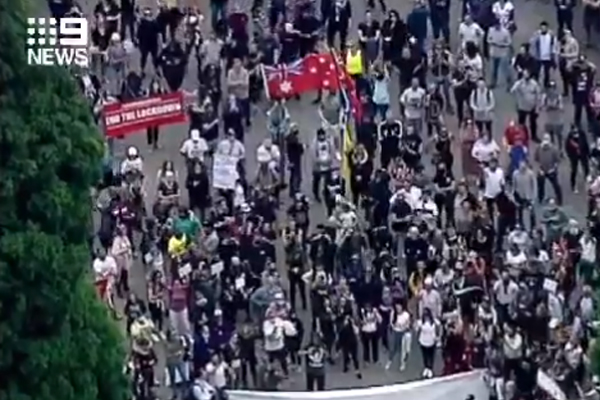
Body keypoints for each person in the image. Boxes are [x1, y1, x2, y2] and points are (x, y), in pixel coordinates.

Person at [415, 307, 440, 378]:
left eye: (427, 315)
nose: (426, 317)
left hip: (432, 341)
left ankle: (430, 369)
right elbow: (417, 330)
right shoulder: (421, 322)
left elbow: (439, 327)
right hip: (423, 341)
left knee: (431, 356)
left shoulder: (435, 322)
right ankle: (426, 368)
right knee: (425, 356)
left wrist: (438, 337)